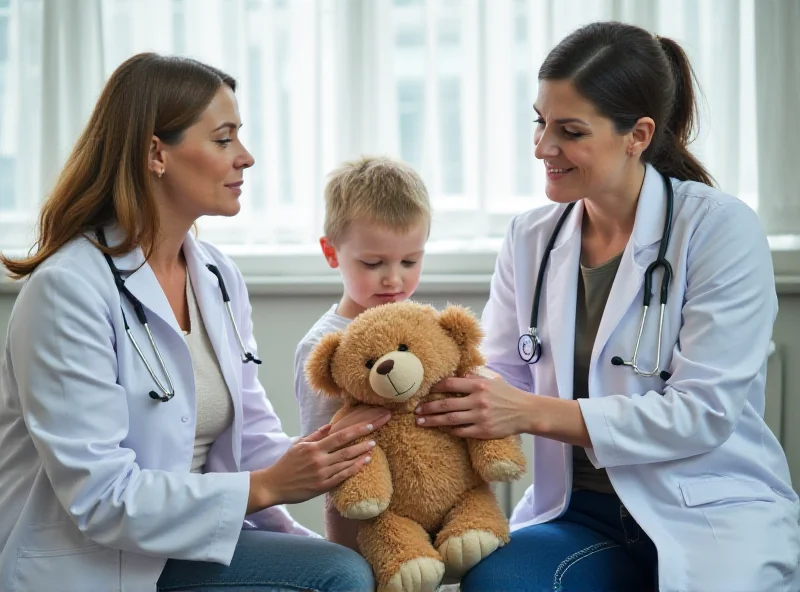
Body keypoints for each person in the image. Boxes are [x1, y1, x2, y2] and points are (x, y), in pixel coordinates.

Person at [414, 21, 800, 592]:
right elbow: (496, 373)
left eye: (569, 131)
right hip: (576, 513)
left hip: (705, 509)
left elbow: (704, 411)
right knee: (499, 585)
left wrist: (531, 412)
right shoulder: (531, 237)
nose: (543, 147)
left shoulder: (719, 229)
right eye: (540, 123)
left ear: (637, 135)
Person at [0, 53, 390, 592]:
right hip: (98, 562)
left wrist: (337, 447)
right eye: (223, 138)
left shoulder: (215, 275)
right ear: (156, 153)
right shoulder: (66, 290)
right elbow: (101, 498)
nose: (246, 158)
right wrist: (266, 487)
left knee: (361, 566)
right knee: (338, 577)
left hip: (192, 542)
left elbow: (250, 437)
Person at [294, 155, 431, 550]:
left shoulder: (423, 329)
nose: (394, 278)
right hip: (364, 530)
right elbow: (325, 458)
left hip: (429, 507)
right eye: (373, 263)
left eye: (410, 261)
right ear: (331, 252)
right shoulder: (324, 349)